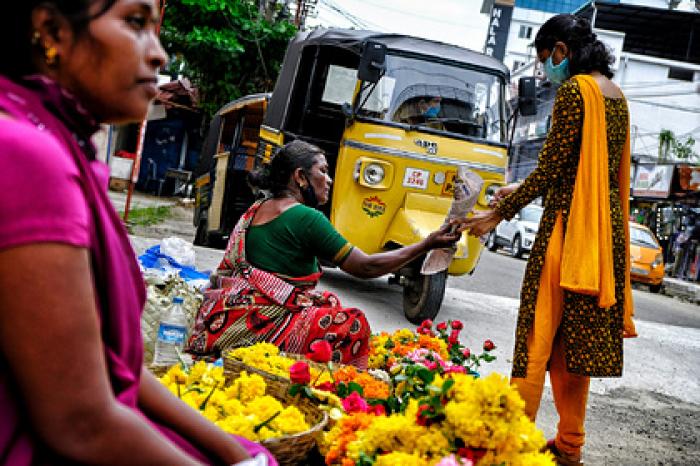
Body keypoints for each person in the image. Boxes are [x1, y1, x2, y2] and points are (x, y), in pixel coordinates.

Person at [0, 1, 274, 464]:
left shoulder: (62, 146)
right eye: (135, 23)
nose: (160, 55)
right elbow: (81, 421)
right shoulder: (28, 154)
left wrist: (237, 454)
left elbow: (111, 365)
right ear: (51, 30)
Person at [461, 14, 637, 466]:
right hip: (604, 240)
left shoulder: (576, 91)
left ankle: (513, 444)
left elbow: (554, 167)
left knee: (536, 338)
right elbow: (581, 172)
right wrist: (516, 191)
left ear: (561, 50)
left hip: (567, 233)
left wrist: (496, 215)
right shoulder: (618, 98)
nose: (546, 74)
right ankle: (569, 446)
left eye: (545, 62)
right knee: (573, 345)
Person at [188, 140, 461, 368]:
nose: (329, 180)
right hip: (264, 323)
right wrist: (427, 244)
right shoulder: (306, 218)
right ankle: (329, 383)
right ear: (300, 176)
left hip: (231, 317)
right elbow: (365, 267)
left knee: (326, 301)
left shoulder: (257, 208)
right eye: (323, 171)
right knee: (352, 323)